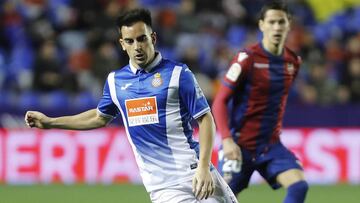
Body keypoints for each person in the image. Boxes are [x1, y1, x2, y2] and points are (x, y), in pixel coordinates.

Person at [25, 8, 238, 203]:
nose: (137, 47)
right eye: (130, 41)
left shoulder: (178, 74)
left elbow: (205, 118)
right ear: (122, 44)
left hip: (196, 171)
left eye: (142, 39)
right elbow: (99, 117)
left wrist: (203, 167)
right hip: (164, 187)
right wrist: (51, 122)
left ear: (152, 38)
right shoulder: (115, 82)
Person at [212, 1, 308, 203]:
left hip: (270, 146)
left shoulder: (293, 62)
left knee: (299, 186)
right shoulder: (247, 58)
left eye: (281, 22)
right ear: (261, 25)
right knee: (221, 200)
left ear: (289, 24)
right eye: (271, 22)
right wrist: (227, 140)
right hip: (239, 146)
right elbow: (220, 101)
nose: (276, 27)